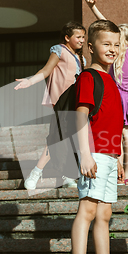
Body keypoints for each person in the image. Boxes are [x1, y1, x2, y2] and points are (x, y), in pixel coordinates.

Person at [68, 20, 128, 254]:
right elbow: (81, 115)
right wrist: (84, 155)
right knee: (88, 210)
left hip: (107, 153)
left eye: (116, 44)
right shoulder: (88, 77)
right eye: (107, 44)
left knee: (104, 213)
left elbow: (110, 122)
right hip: (91, 153)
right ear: (90, 46)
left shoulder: (110, 80)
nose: (113, 49)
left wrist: (116, 156)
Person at [15, 22, 86, 190]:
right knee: (56, 137)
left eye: (84, 37)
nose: (82, 40)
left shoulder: (81, 58)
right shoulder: (59, 50)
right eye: (78, 37)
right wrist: (30, 81)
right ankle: (37, 172)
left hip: (74, 102)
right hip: (62, 101)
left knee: (67, 137)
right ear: (67, 38)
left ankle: (67, 175)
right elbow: (46, 71)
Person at [84, 0, 128, 186]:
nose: (113, 46)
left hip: (115, 97)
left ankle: (116, 172)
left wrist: (93, 8)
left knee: (117, 137)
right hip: (126, 97)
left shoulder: (122, 53)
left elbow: (104, 24)